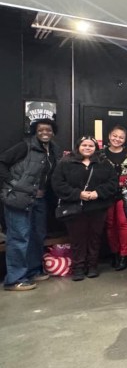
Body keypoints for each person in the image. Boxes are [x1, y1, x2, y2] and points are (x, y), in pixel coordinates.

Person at [0, 119, 61, 291]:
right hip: (18, 198)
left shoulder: (54, 150)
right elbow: (1, 163)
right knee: (19, 237)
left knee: (37, 236)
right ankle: (14, 279)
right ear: (35, 131)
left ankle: (33, 271)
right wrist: (14, 184)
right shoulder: (24, 146)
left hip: (39, 199)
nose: (45, 132)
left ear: (53, 132)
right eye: (41, 130)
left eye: (48, 130)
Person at [51, 136, 118, 281]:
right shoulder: (66, 162)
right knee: (77, 239)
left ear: (96, 148)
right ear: (78, 147)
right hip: (74, 207)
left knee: (95, 238)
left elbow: (113, 182)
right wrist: (78, 194)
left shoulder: (104, 163)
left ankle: (92, 266)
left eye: (91, 146)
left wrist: (98, 193)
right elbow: (58, 184)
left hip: (97, 207)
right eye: (84, 145)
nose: (87, 148)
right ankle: (78, 268)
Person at [103, 125, 127, 271]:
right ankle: (114, 253)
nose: (117, 139)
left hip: (125, 193)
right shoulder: (100, 154)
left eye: (121, 137)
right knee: (110, 224)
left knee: (123, 223)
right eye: (115, 136)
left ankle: (124, 255)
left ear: (125, 139)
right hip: (106, 193)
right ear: (109, 136)